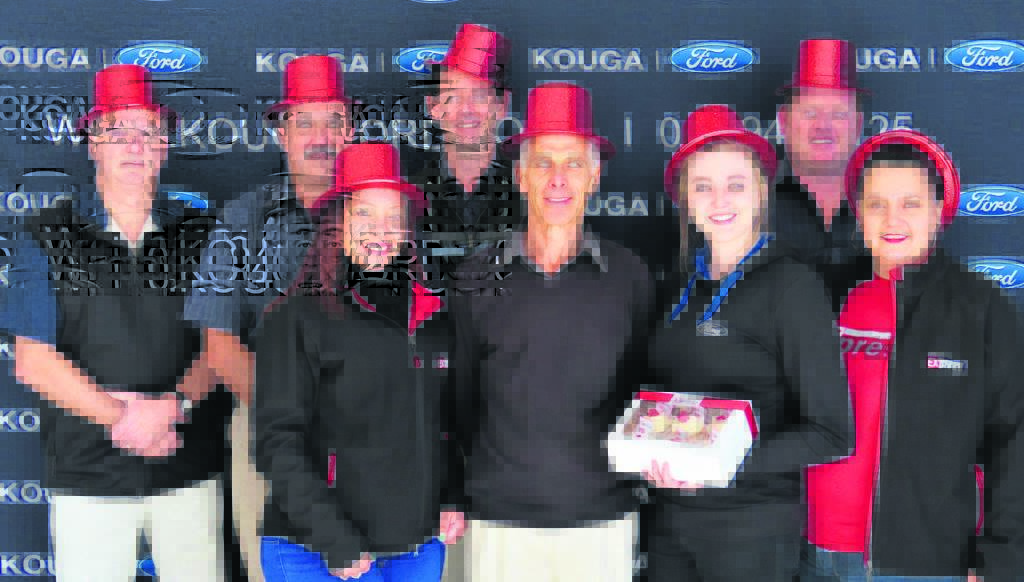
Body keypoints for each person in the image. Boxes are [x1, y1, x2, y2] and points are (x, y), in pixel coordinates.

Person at [15, 64, 225, 582]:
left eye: (147, 131)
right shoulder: (45, 233)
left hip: (188, 467)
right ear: (92, 143)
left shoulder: (201, 235)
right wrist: (124, 419)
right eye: (116, 131)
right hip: (87, 474)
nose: (134, 145)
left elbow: (220, 345)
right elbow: (34, 361)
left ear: (164, 146)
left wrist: (172, 407)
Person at [450, 81, 653, 582]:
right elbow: (458, 402)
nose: (558, 179)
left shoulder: (631, 276)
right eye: (543, 163)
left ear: (594, 176)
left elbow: (644, 393)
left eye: (574, 163)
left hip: (602, 518)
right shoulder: (476, 276)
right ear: (520, 176)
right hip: (499, 520)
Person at [801, 130, 1024, 581]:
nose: (892, 219)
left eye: (911, 203)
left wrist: (1001, 561)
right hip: (812, 555)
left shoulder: (980, 307)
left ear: (939, 211)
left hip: (924, 565)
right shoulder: (822, 293)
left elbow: (1013, 441)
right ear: (859, 212)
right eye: (877, 204)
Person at [644, 104, 852, 582]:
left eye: (735, 184)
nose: (720, 199)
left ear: (760, 193)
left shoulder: (792, 286)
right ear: (685, 200)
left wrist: (715, 464)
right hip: (669, 524)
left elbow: (831, 433)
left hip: (751, 531)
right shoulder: (676, 285)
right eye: (703, 186)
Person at [185, 54, 353, 582]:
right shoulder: (244, 217)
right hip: (268, 426)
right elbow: (219, 342)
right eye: (305, 122)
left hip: (371, 432)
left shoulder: (381, 215)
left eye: (332, 122)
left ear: (350, 131)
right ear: (282, 133)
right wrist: (291, 418)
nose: (320, 138)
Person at [252, 144, 452, 582]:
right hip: (320, 551)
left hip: (414, 548)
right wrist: (334, 539)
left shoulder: (431, 316)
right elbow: (276, 444)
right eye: (364, 213)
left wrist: (451, 496)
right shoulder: (295, 318)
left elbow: (447, 421)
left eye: (393, 216)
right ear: (336, 223)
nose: (380, 229)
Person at [412, 23, 522, 292]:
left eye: (480, 95)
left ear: (502, 105)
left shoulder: (534, 192)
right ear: (433, 107)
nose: (467, 110)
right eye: (453, 97)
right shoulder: (408, 196)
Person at [774, 39, 874, 313]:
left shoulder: (889, 201)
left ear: (858, 125)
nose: (823, 126)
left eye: (838, 114)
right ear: (784, 121)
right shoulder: (749, 201)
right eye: (810, 113)